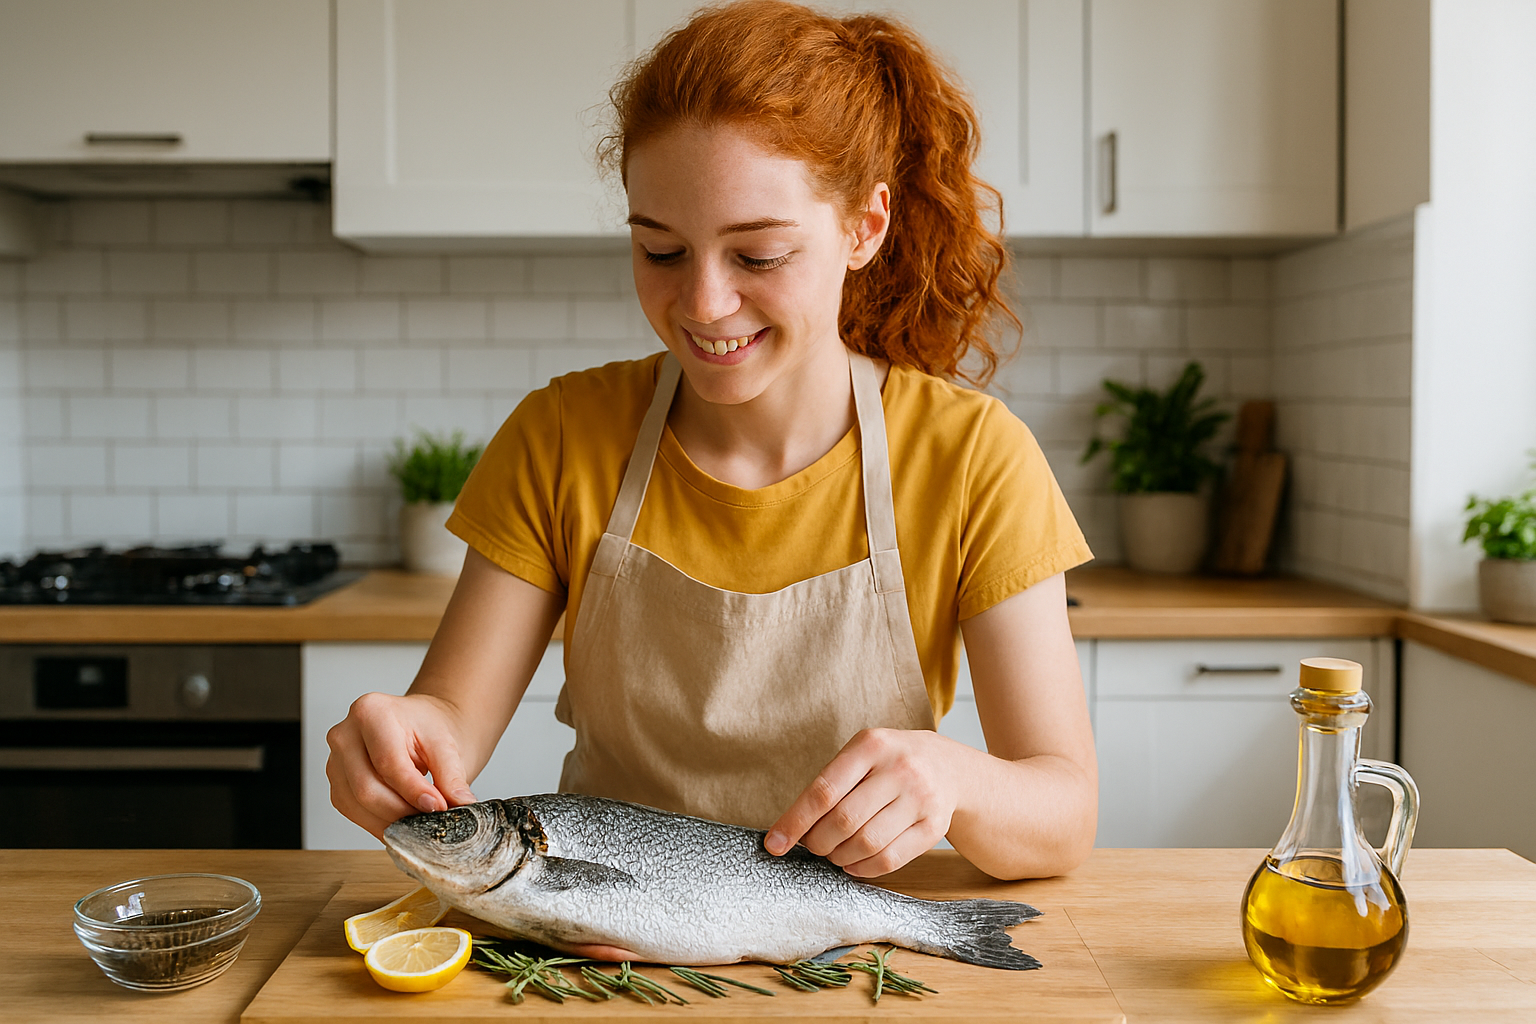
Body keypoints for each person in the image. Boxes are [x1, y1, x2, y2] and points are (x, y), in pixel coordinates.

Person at [327, 0, 1097, 892]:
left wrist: (956, 782)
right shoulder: (564, 436)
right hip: (606, 949)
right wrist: (404, 740)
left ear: (864, 227)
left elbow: (1064, 812)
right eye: (660, 250)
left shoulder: (973, 458)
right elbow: (451, 719)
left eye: (758, 256)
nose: (702, 303)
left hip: (856, 964)